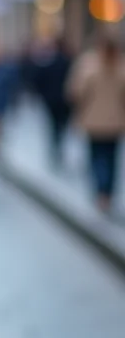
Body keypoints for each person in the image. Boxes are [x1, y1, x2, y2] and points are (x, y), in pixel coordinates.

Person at [66, 33, 125, 214]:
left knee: (96, 157)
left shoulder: (88, 65)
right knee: (111, 158)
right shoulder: (121, 66)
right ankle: (106, 193)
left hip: (94, 121)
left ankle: (101, 193)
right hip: (115, 121)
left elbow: (75, 92)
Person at [28, 37, 72, 166]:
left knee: (53, 125)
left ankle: (55, 146)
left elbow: (38, 80)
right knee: (61, 125)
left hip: (52, 100)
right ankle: (59, 145)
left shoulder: (48, 63)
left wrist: (43, 94)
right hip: (64, 100)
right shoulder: (68, 63)